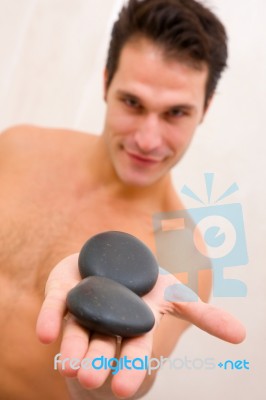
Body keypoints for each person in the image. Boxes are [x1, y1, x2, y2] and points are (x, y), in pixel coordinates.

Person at [0, 0, 246, 399]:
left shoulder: (184, 255)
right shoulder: (17, 148)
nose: (148, 140)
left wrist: (95, 381)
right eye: (133, 103)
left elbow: (124, 384)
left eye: (176, 113)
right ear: (106, 83)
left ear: (204, 111)